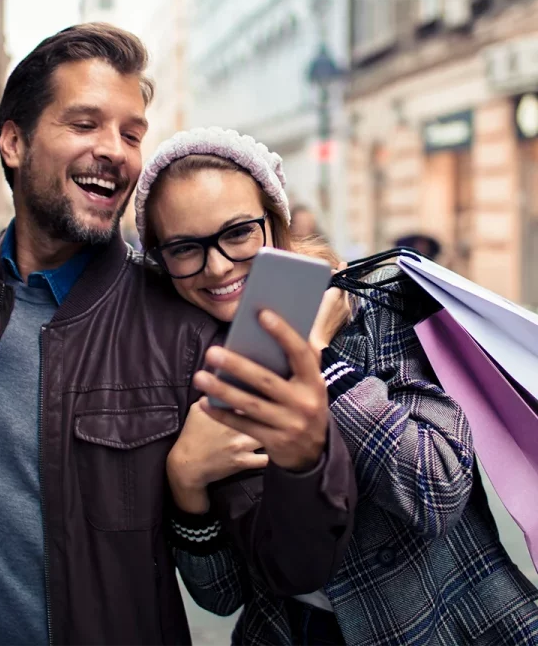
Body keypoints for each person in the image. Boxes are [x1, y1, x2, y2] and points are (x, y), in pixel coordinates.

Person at [0, 25, 356, 646]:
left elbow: (286, 566)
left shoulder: (185, 330)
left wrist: (306, 461)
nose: (115, 151)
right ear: (13, 141)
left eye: (131, 133)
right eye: (85, 124)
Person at [136, 126, 538, 646]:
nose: (217, 266)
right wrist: (186, 482)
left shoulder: (370, 314)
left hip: (443, 624)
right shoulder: (188, 370)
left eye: (238, 233)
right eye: (185, 247)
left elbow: (438, 488)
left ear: (275, 224)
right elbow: (221, 595)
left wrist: (319, 359)